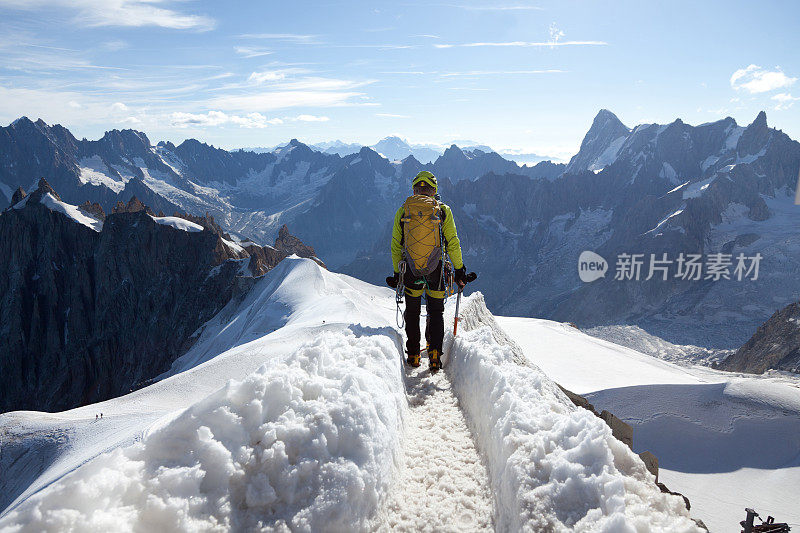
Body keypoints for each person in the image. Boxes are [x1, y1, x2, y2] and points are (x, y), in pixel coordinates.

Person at [388, 171, 468, 371]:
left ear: (414, 189)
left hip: (411, 271)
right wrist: (459, 270)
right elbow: (452, 242)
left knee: (413, 313)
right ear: (434, 191)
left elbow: (396, 246)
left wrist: (398, 274)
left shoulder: (403, 211)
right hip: (437, 272)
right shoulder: (442, 210)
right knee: (436, 312)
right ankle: (434, 355)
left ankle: (414, 355)